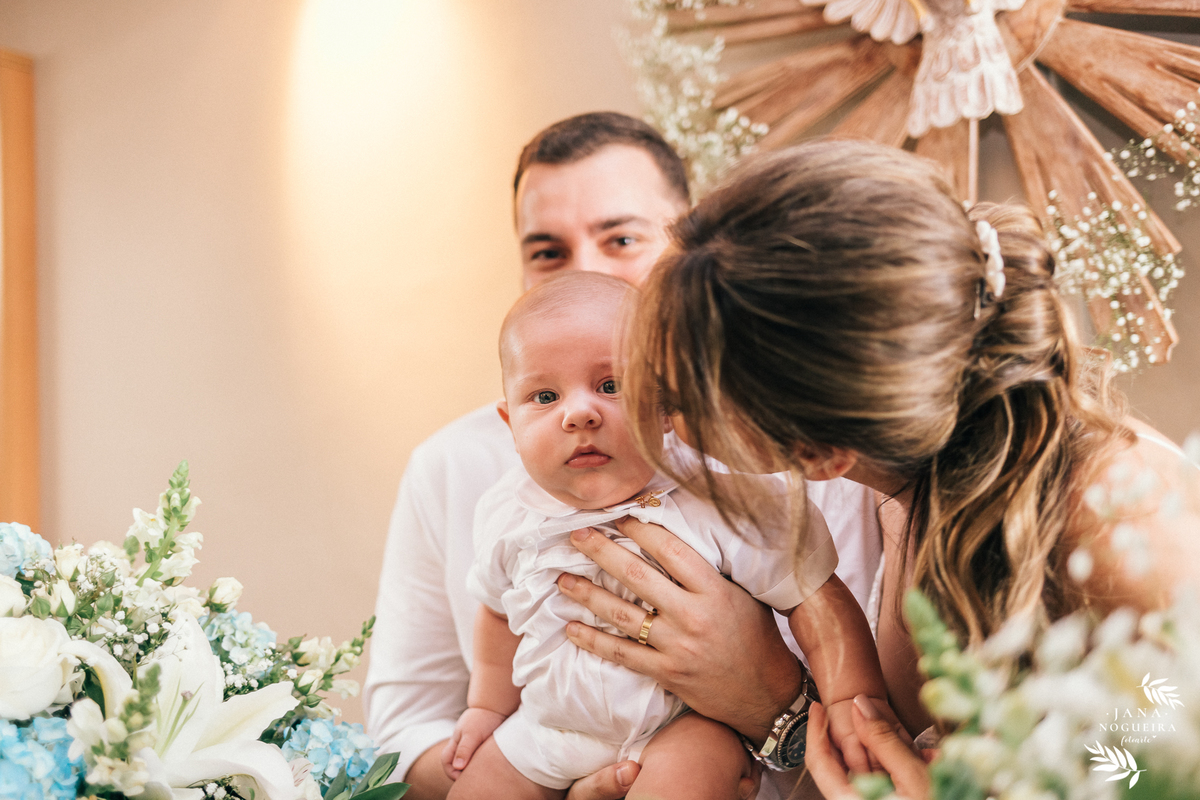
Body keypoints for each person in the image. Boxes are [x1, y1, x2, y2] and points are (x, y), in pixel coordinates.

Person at [553, 139, 1200, 797]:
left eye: (678, 401)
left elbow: (1160, 771)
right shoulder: (901, 482)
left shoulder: (1128, 527)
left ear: (818, 455)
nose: (656, 422)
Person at [364, 114, 884, 800]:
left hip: (690, 739)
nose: (586, 268)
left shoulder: (775, 455)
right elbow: (404, 727)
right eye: (548, 251)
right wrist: (507, 745)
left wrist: (786, 704)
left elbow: (850, 647)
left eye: (622, 239)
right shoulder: (460, 473)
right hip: (546, 737)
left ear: (692, 249)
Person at [442, 273, 891, 799]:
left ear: (664, 408)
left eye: (611, 386)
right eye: (545, 396)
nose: (579, 413)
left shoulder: (716, 501)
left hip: (684, 727)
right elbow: (497, 613)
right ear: (510, 424)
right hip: (549, 728)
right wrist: (485, 707)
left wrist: (850, 699)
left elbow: (815, 596)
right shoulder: (507, 513)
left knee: (687, 777)